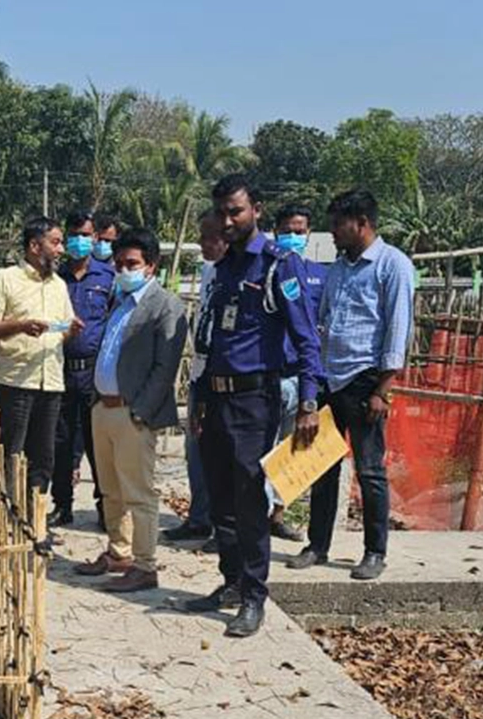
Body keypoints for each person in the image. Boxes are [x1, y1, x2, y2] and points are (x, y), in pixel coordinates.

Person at [185, 174, 322, 637]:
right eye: (222, 211)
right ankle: (229, 582)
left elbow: (307, 341)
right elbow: (214, 340)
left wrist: (308, 402)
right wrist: (201, 398)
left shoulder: (277, 265)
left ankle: (253, 596)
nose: (227, 220)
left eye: (235, 211)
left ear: (256, 209)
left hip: (254, 401)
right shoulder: (224, 268)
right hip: (217, 397)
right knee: (220, 498)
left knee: (248, 500)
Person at [285, 190, 415, 581]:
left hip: (365, 380)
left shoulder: (393, 266)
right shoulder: (339, 267)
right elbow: (323, 321)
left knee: (370, 470)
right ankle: (317, 545)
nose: (332, 232)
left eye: (338, 224)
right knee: (321, 466)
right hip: (330, 377)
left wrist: (382, 390)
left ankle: (375, 551)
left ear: (361, 222)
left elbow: (397, 329)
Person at [74, 228, 187, 593]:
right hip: (103, 408)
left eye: (132, 263)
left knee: (138, 493)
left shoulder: (165, 305)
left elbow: (164, 368)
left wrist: (141, 412)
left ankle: (145, 564)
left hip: (132, 413)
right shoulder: (118, 300)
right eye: (119, 263)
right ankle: (118, 552)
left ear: (151, 266)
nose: (124, 269)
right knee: (110, 490)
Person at [0, 216, 83, 513]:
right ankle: (9, 516)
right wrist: (20, 326)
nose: (61, 249)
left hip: (50, 382)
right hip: (14, 382)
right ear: (35, 246)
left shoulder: (59, 285)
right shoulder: (6, 278)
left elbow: (60, 332)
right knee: (12, 452)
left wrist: (70, 331)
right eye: (56, 242)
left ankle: (34, 518)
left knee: (44, 456)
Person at [263, 205, 330, 542]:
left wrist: (312, 393)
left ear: (309, 232)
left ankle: (277, 514)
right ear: (275, 231)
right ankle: (253, 519)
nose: (293, 235)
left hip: (301, 378)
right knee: (261, 452)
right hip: (270, 376)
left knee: (292, 453)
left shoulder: (320, 274)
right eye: (287, 228)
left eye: (299, 229)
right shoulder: (269, 271)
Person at [161, 212, 226, 544]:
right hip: (201, 373)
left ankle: (226, 528)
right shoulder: (209, 270)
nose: (202, 243)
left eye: (208, 237)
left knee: (224, 457)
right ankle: (200, 518)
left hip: (226, 378)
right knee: (196, 449)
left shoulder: (241, 272)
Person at [49, 211, 115, 528]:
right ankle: (62, 504)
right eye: (74, 234)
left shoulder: (108, 277)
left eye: (86, 234)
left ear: (94, 237)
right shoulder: (54, 277)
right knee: (61, 441)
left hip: (93, 374)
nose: (80, 240)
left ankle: (105, 506)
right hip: (60, 370)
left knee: (97, 443)